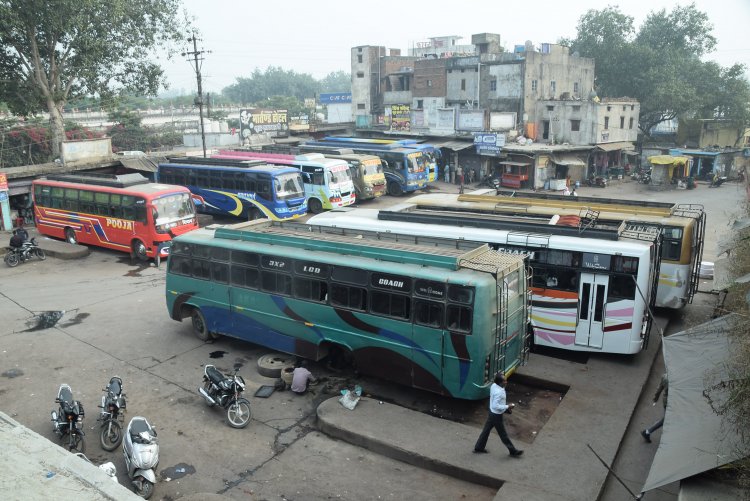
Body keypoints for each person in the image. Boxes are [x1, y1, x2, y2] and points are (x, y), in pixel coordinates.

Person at [473, 371, 524, 457]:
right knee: (503, 434)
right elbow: (495, 405)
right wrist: (507, 406)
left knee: (486, 431)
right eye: (504, 381)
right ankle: (513, 451)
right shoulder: (499, 393)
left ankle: (479, 447)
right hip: (496, 415)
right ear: (500, 383)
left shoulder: (494, 386)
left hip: (492, 412)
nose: (506, 381)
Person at [642, 373, 668, 443]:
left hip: (667, 401)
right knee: (665, 419)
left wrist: (655, 399)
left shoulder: (665, 376)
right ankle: (647, 432)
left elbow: (659, 389)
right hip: (674, 402)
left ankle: (648, 432)